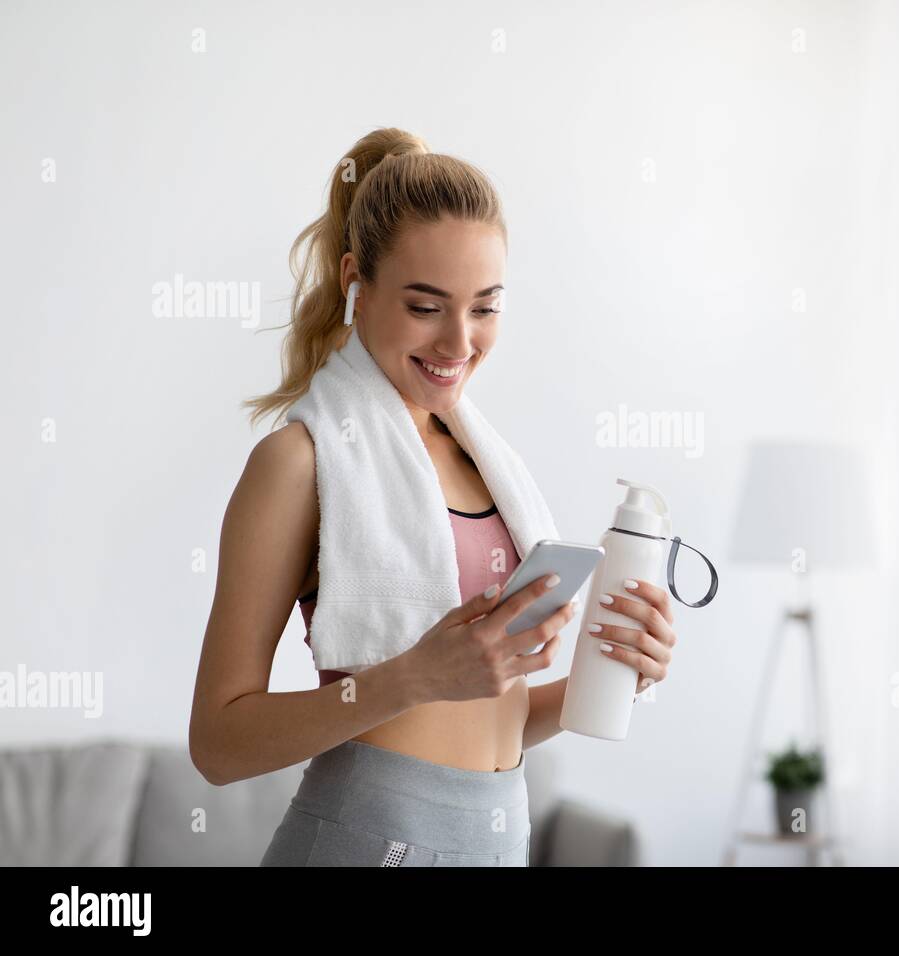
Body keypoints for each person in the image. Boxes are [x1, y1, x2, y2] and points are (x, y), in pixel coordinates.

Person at [188, 127, 677, 866]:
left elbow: (490, 717)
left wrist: (612, 678)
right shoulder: (298, 464)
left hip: (498, 836)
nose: (459, 343)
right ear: (357, 282)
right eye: (426, 306)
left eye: (485, 307)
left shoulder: (491, 468)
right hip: (362, 840)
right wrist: (412, 676)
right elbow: (218, 745)